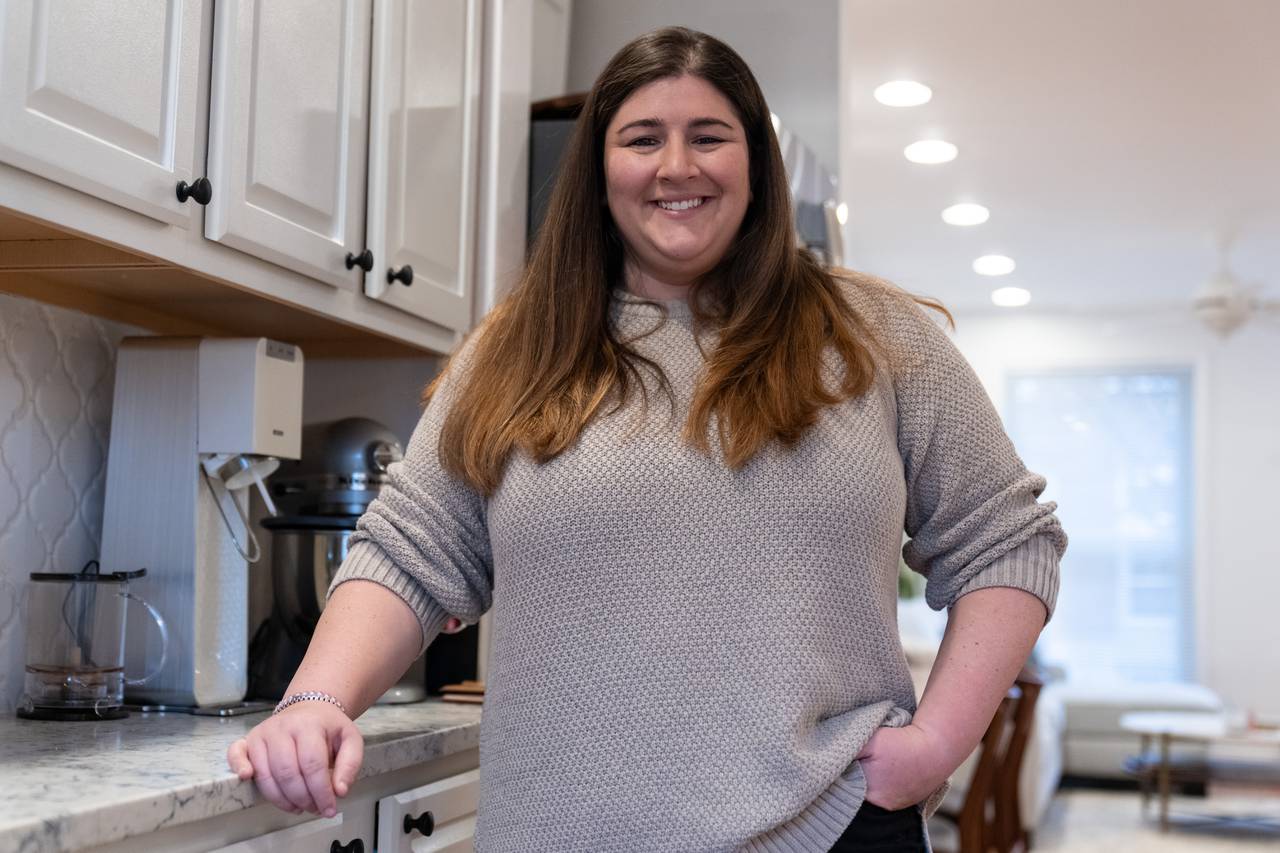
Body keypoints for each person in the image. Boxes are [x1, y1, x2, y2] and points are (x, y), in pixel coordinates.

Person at [227, 26, 1065, 853]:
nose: (676, 167)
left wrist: (936, 744)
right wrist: (314, 701)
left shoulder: (874, 333)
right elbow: (409, 554)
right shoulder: (516, 351)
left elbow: (1008, 541)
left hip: (830, 827)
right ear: (598, 173)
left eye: (709, 137)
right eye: (642, 139)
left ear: (755, 168)